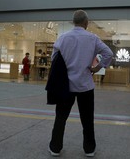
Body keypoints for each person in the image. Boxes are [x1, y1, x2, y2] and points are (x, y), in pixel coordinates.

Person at [48, 10, 113, 157]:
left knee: (60, 118)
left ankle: (55, 147)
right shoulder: (92, 38)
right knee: (87, 119)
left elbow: (54, 59)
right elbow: (109, 53)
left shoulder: (63, 38)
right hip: (85, 86)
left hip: (66, 86)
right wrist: (97, 67)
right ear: (86, 23)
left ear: (73, 22)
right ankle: (89, 149)